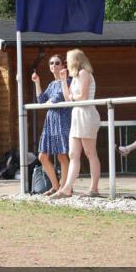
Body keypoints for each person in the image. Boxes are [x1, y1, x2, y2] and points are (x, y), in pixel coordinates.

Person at [51, 49, 101, 198]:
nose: (66, 63)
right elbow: (68, 99)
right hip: (77, 114)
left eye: (68, 60)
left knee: (90, 153)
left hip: (86, 113)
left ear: (76, 60)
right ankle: (66, 188)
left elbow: (83, 97)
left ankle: (94, 188)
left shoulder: (84, 73)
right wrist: (63, 81)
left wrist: (73, 97)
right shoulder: (74, 77)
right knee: (73, 154)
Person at [31, 54, 72, 195]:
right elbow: (41, 100)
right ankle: (55, 186)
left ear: (63, 65)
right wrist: (37, 82)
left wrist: (48, 103)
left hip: (62, 120)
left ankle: (64, 188)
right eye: (51, 63)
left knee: (62, 156)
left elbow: (56, 99)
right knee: (42, 156)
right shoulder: (52, 84)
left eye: (57, 63)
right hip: (50, 122)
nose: (54, 65)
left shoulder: (67, 81)